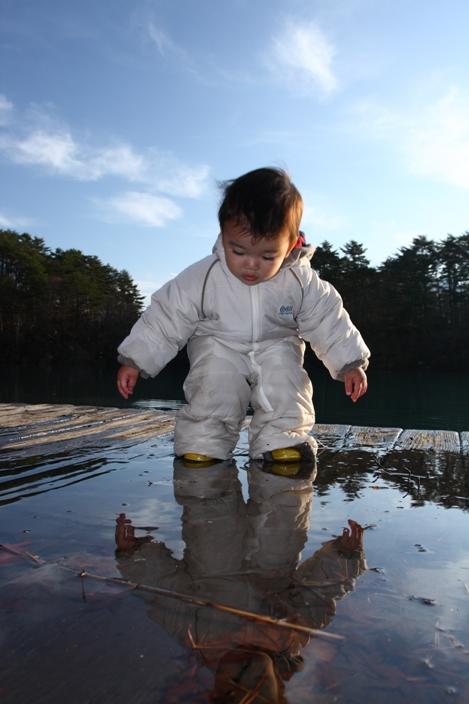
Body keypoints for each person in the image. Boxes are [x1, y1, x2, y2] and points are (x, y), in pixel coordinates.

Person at [117, 167, 369, 463]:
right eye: (238, 251)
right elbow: (166, 317)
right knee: (214, 386)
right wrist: (135, 359)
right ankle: (203, 443)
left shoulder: (301, 282)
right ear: (223, 235)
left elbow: (329, 319)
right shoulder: (203, 277)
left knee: (287, 384)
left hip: (277, 344)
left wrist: (350, 362)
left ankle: (281, 441)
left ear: (291, 245)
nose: (251, 264)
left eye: (267, 256)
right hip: (218, 343)